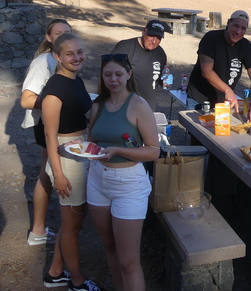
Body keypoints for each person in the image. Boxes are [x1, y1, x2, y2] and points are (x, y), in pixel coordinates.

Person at [87, 54, 160, 291]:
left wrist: (118, 150)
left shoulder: (138, 105)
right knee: (110, 247)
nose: (113, 79)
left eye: (118, 74)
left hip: (129, 184)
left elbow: (153, 151)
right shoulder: (97, 105)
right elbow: (91, 141)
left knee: (129, 261)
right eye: (107, 74)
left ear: (129, 74)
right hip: (98, 180)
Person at [38, 33, 104, 291]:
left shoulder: (74, 80)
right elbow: (49, 135)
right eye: (69, 54)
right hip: (66, 160)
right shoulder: (54, 89)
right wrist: (59, 174)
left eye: (79, 52)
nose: (76, 57)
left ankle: (55, 272)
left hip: (80, 154)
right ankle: (77, 282)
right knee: (72, 227)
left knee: (71, 223)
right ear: (57, 57)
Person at [20, 18, 72, 246]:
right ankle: (38, 231)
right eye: (57, 34)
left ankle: (40, 230)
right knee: (46, 173)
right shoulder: (43, 62)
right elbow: (26, 100)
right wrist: (55, 103)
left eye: (66, 34)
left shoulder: (66, 60)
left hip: (61, 124)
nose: (61, 37)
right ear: (48, 38)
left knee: (49, 173)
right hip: (46, 125)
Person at [186, 10, 251, 122]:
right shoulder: (211, 38)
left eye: (243, 28)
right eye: (236, 26)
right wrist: (227, 90)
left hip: (222, 103)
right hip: (200, 100)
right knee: (198, 135)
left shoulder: (246, 47)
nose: (238, 31)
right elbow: (206, 71)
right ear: (228, 23)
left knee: (220, 136)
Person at [111, 20, 168, 111]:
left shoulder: (160, 54)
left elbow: (159, 79)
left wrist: (165, 81)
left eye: (158, 38)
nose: (153, 41)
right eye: (151, 36)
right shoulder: (125, 47)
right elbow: (108, 74)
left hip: (148, 108)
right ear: (144, 31)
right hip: (124, 106)